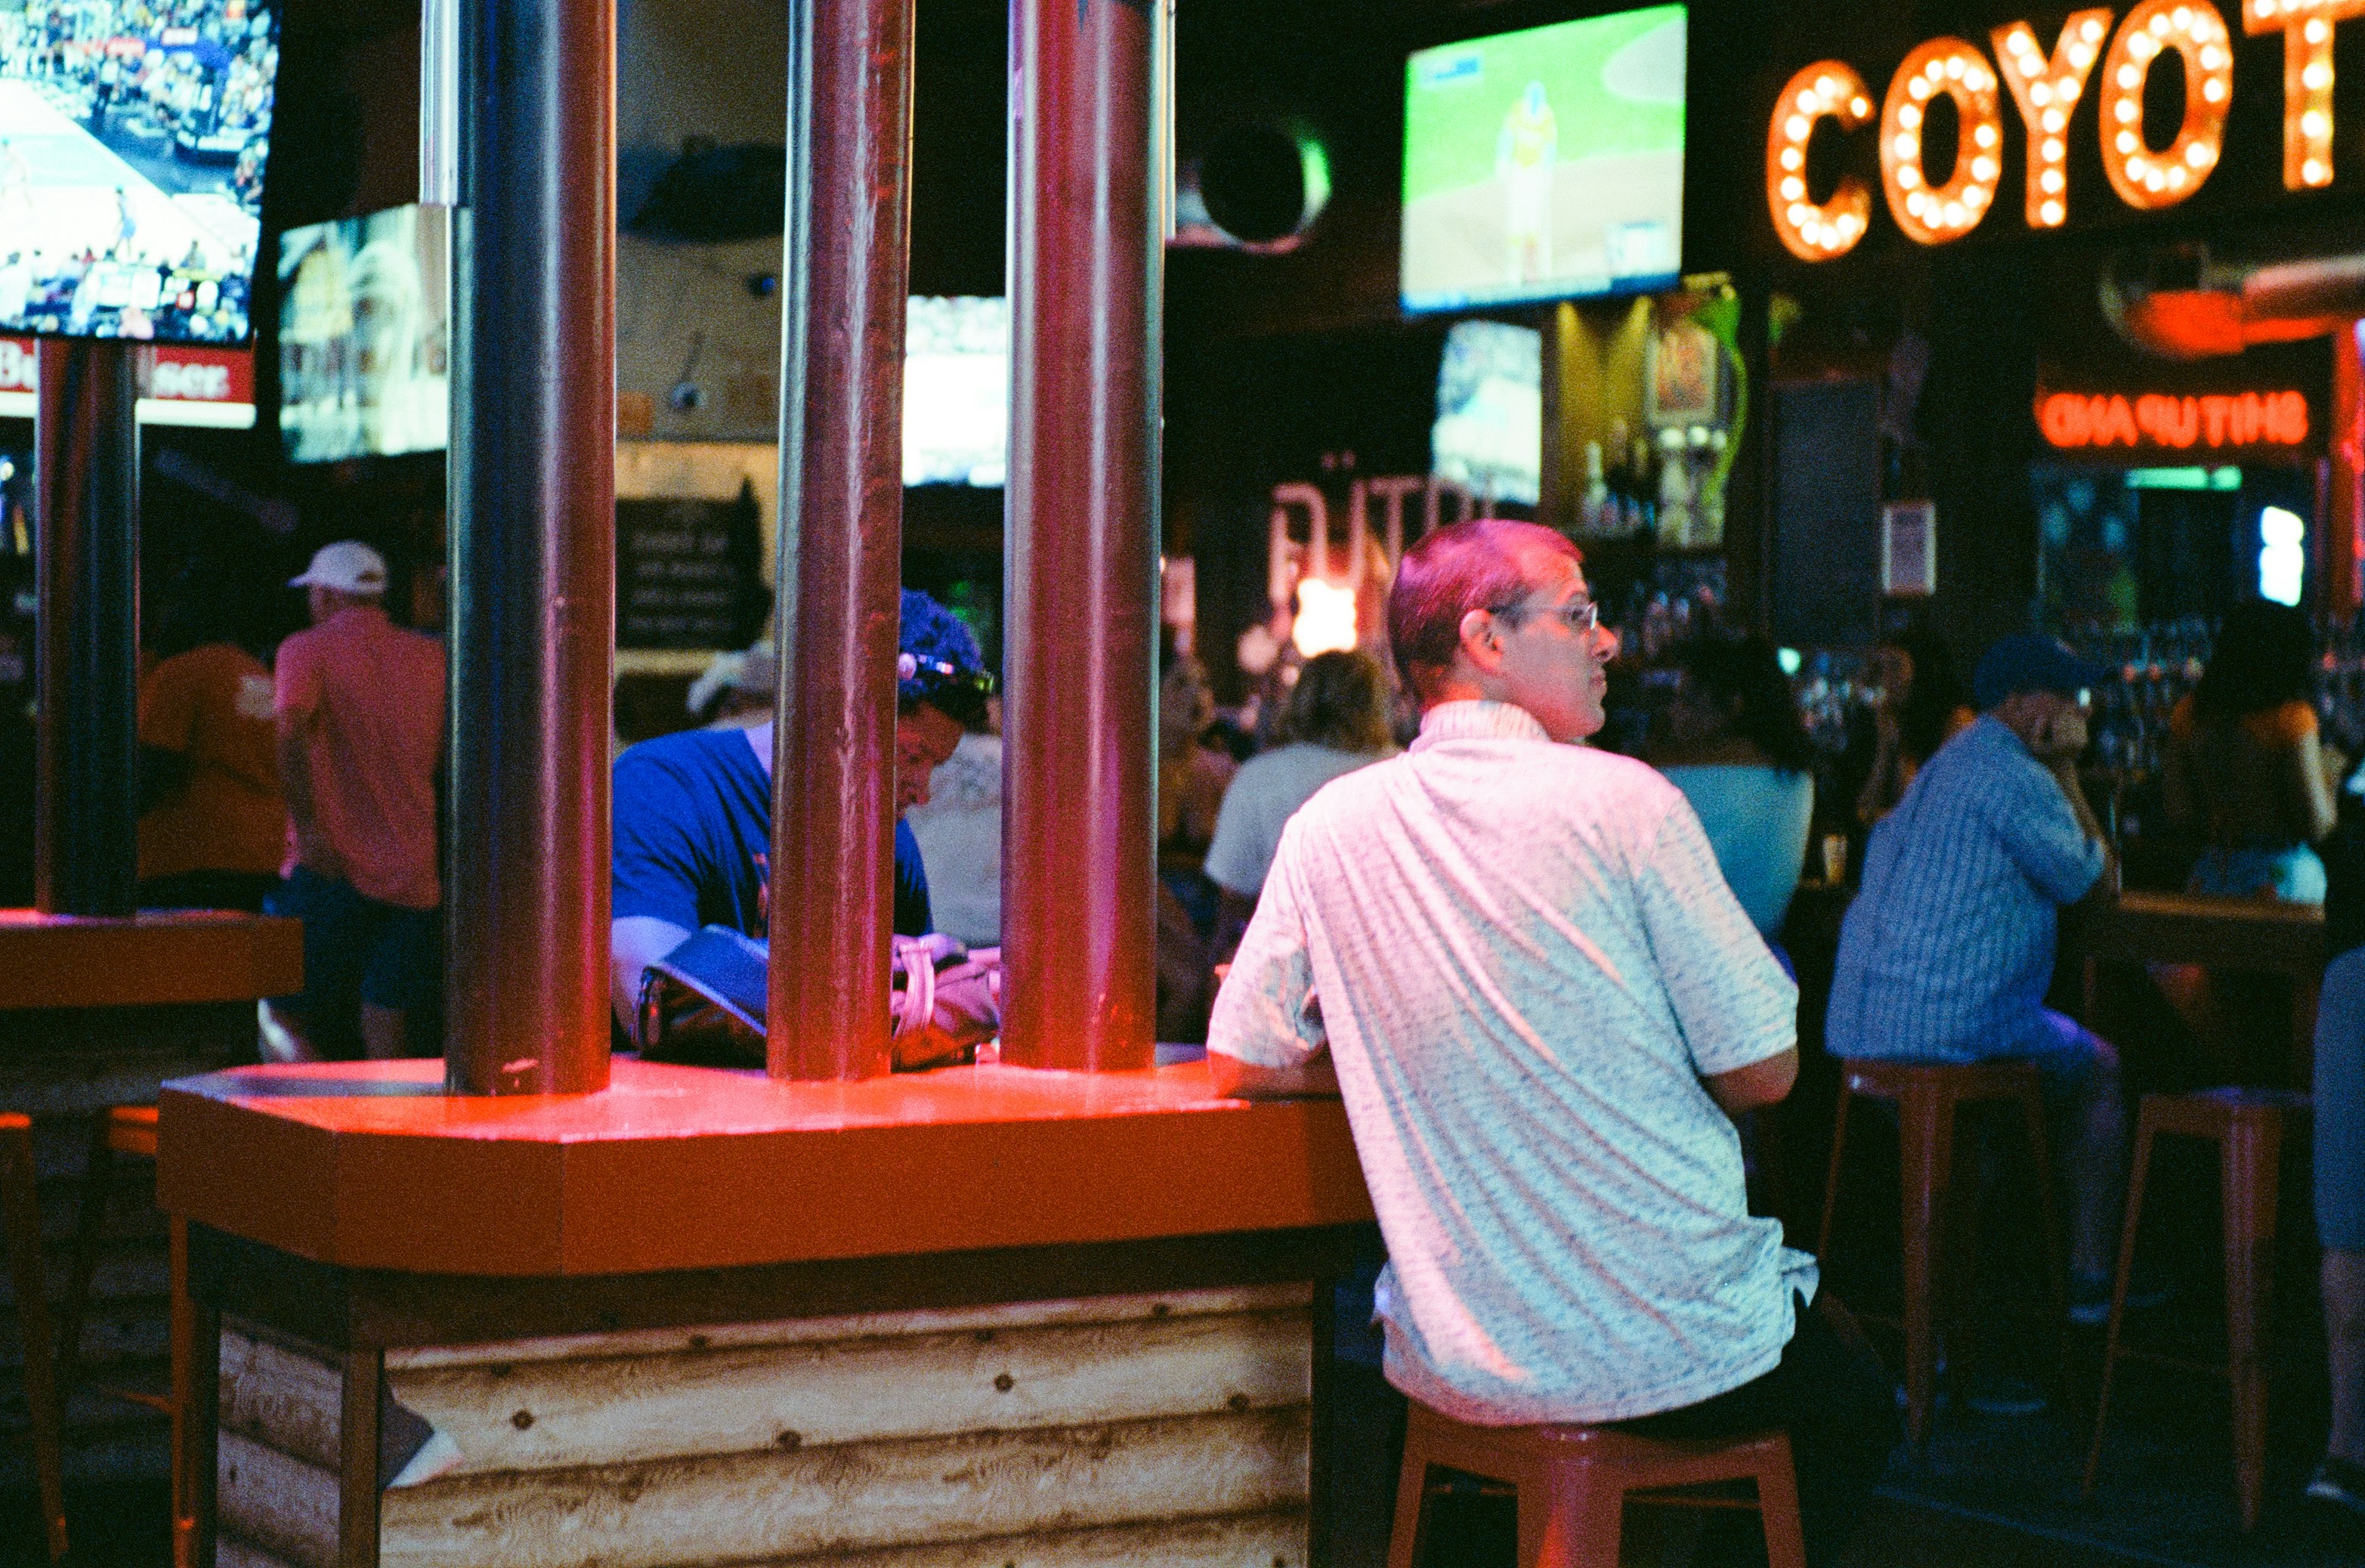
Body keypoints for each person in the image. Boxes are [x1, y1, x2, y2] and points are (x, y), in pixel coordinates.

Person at [1209, 518, 1896, 1564]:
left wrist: (1398, 1030)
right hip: (1671, 1344)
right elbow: (1765, 1069)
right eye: (1577, 614)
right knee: (1852, 1395)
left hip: (1452, 1354)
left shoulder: (1328, 825)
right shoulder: (1625, 804)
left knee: (1474, 1473)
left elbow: (1243, 1051)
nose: (1608, 639)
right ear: (1483, 638)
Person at [1827, 635, 2132, 1325]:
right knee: (2101, 1070)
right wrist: (2069, 772)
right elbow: (2096, 883)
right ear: (2025, 703)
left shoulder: (1948, 763)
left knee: (1980, 1131)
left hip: (1859, 1032)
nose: (2082, 707)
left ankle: (1951, 1335)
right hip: (1949, 1030)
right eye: (2068, 694)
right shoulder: (2017, 775)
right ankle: (2086, 1287)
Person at [609, 589, 988, 1030]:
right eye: (914, 756)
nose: (922, 794)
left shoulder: (887, 837)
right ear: (844, 710)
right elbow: (650, 1003)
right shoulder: (661, 785)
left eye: (934, 767)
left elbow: (919, 1007)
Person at [261, 542, 447, 1062]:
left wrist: (310, 826)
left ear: (323, 594)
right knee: (385, 1021)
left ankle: (302, 1132)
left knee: (281, 1016)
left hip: (331, 867)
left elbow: (290, 730)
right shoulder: (432, 656)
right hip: (415, 876)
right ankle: (390, 1139)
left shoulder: (304, 648)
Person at [1203, 648, 1393, 959]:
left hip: (1285, 959)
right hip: (1384, 954)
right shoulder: (1404, 771)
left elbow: (1233, 892)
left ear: (1302, 700)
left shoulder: (1259, 777)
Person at [2164, 599, 2343, 904]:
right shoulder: (2291, 719)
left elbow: (2179, 813)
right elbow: (2318, 824)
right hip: (2282, 881)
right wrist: (2331, 780)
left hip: (2212, 874)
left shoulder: (2188, 714)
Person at [1652, 635, 1818, 948]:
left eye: (1686, 699)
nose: (1674, 712)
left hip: (1686, 959)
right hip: (1766, 961)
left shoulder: (1670, 777)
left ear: (1731, 706)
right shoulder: (1797, 778)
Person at [136, 571, 285, 912]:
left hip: (188, 856)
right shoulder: (261, 676)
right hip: (259, 855)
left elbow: (156, 766)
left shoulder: (181, 674)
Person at [903, 696, 1003, 949]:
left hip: (936, 926)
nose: (922, 795)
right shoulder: (1017, 762)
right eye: (914, 759)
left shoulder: (919, 744)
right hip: (996, 926)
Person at [1856, 626, 1974, 825]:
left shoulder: (1958, 723)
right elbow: (1865, 810)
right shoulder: (1894, 722)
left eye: (1895, 666)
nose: (1886, 679)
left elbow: (1937, 809)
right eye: (1882, 669)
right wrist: (1885, 748)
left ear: (1923, 668)